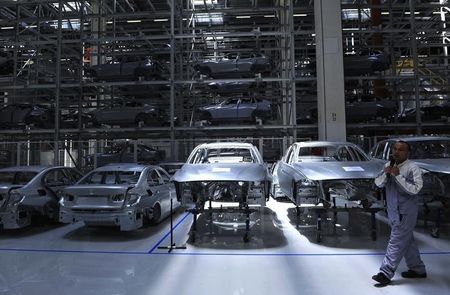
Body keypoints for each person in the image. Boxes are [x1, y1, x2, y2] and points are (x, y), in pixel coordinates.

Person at [372, 140, 427, 286]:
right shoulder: (388, 165)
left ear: (407, 153)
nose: (396, 152)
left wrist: (398, 177)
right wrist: (387, 174)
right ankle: (418, 269)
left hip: (406, 212)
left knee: (396, 241)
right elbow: (377, 183)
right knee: (407, 241)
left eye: (401, 150)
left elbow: (416, 189)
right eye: (395, 149)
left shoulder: (413, 167)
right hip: (393, 211)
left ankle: (385, 272)